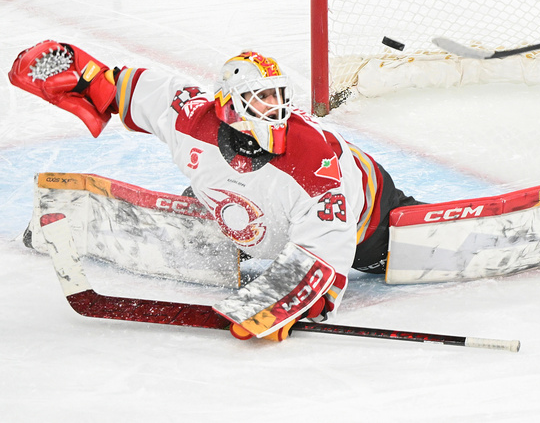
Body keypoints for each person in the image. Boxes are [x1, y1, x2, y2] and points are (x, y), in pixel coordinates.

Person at [10, 44, 420, 339]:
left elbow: (326, 254)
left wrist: (281, 304)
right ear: (228, 104)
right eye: (259, 99)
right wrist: (87, 77)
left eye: (277, 97)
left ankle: (416, 221)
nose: (273, 109)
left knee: (383, 244)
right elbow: (124, 89)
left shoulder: (313, 158)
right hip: (244, 208)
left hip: (365, 218)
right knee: (208, 208)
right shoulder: (191, 118)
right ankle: (214, 235)